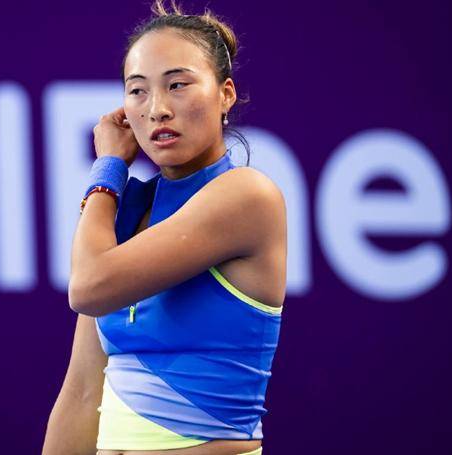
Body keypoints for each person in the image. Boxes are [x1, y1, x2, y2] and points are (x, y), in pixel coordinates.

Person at [42, 1, 287, 454]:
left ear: (225, 94)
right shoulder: (125, 210)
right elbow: (81, 392)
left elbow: (88, 287)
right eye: (137, 91)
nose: (157, 109)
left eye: (177, 85)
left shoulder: (248, 195)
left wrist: (108, 166)